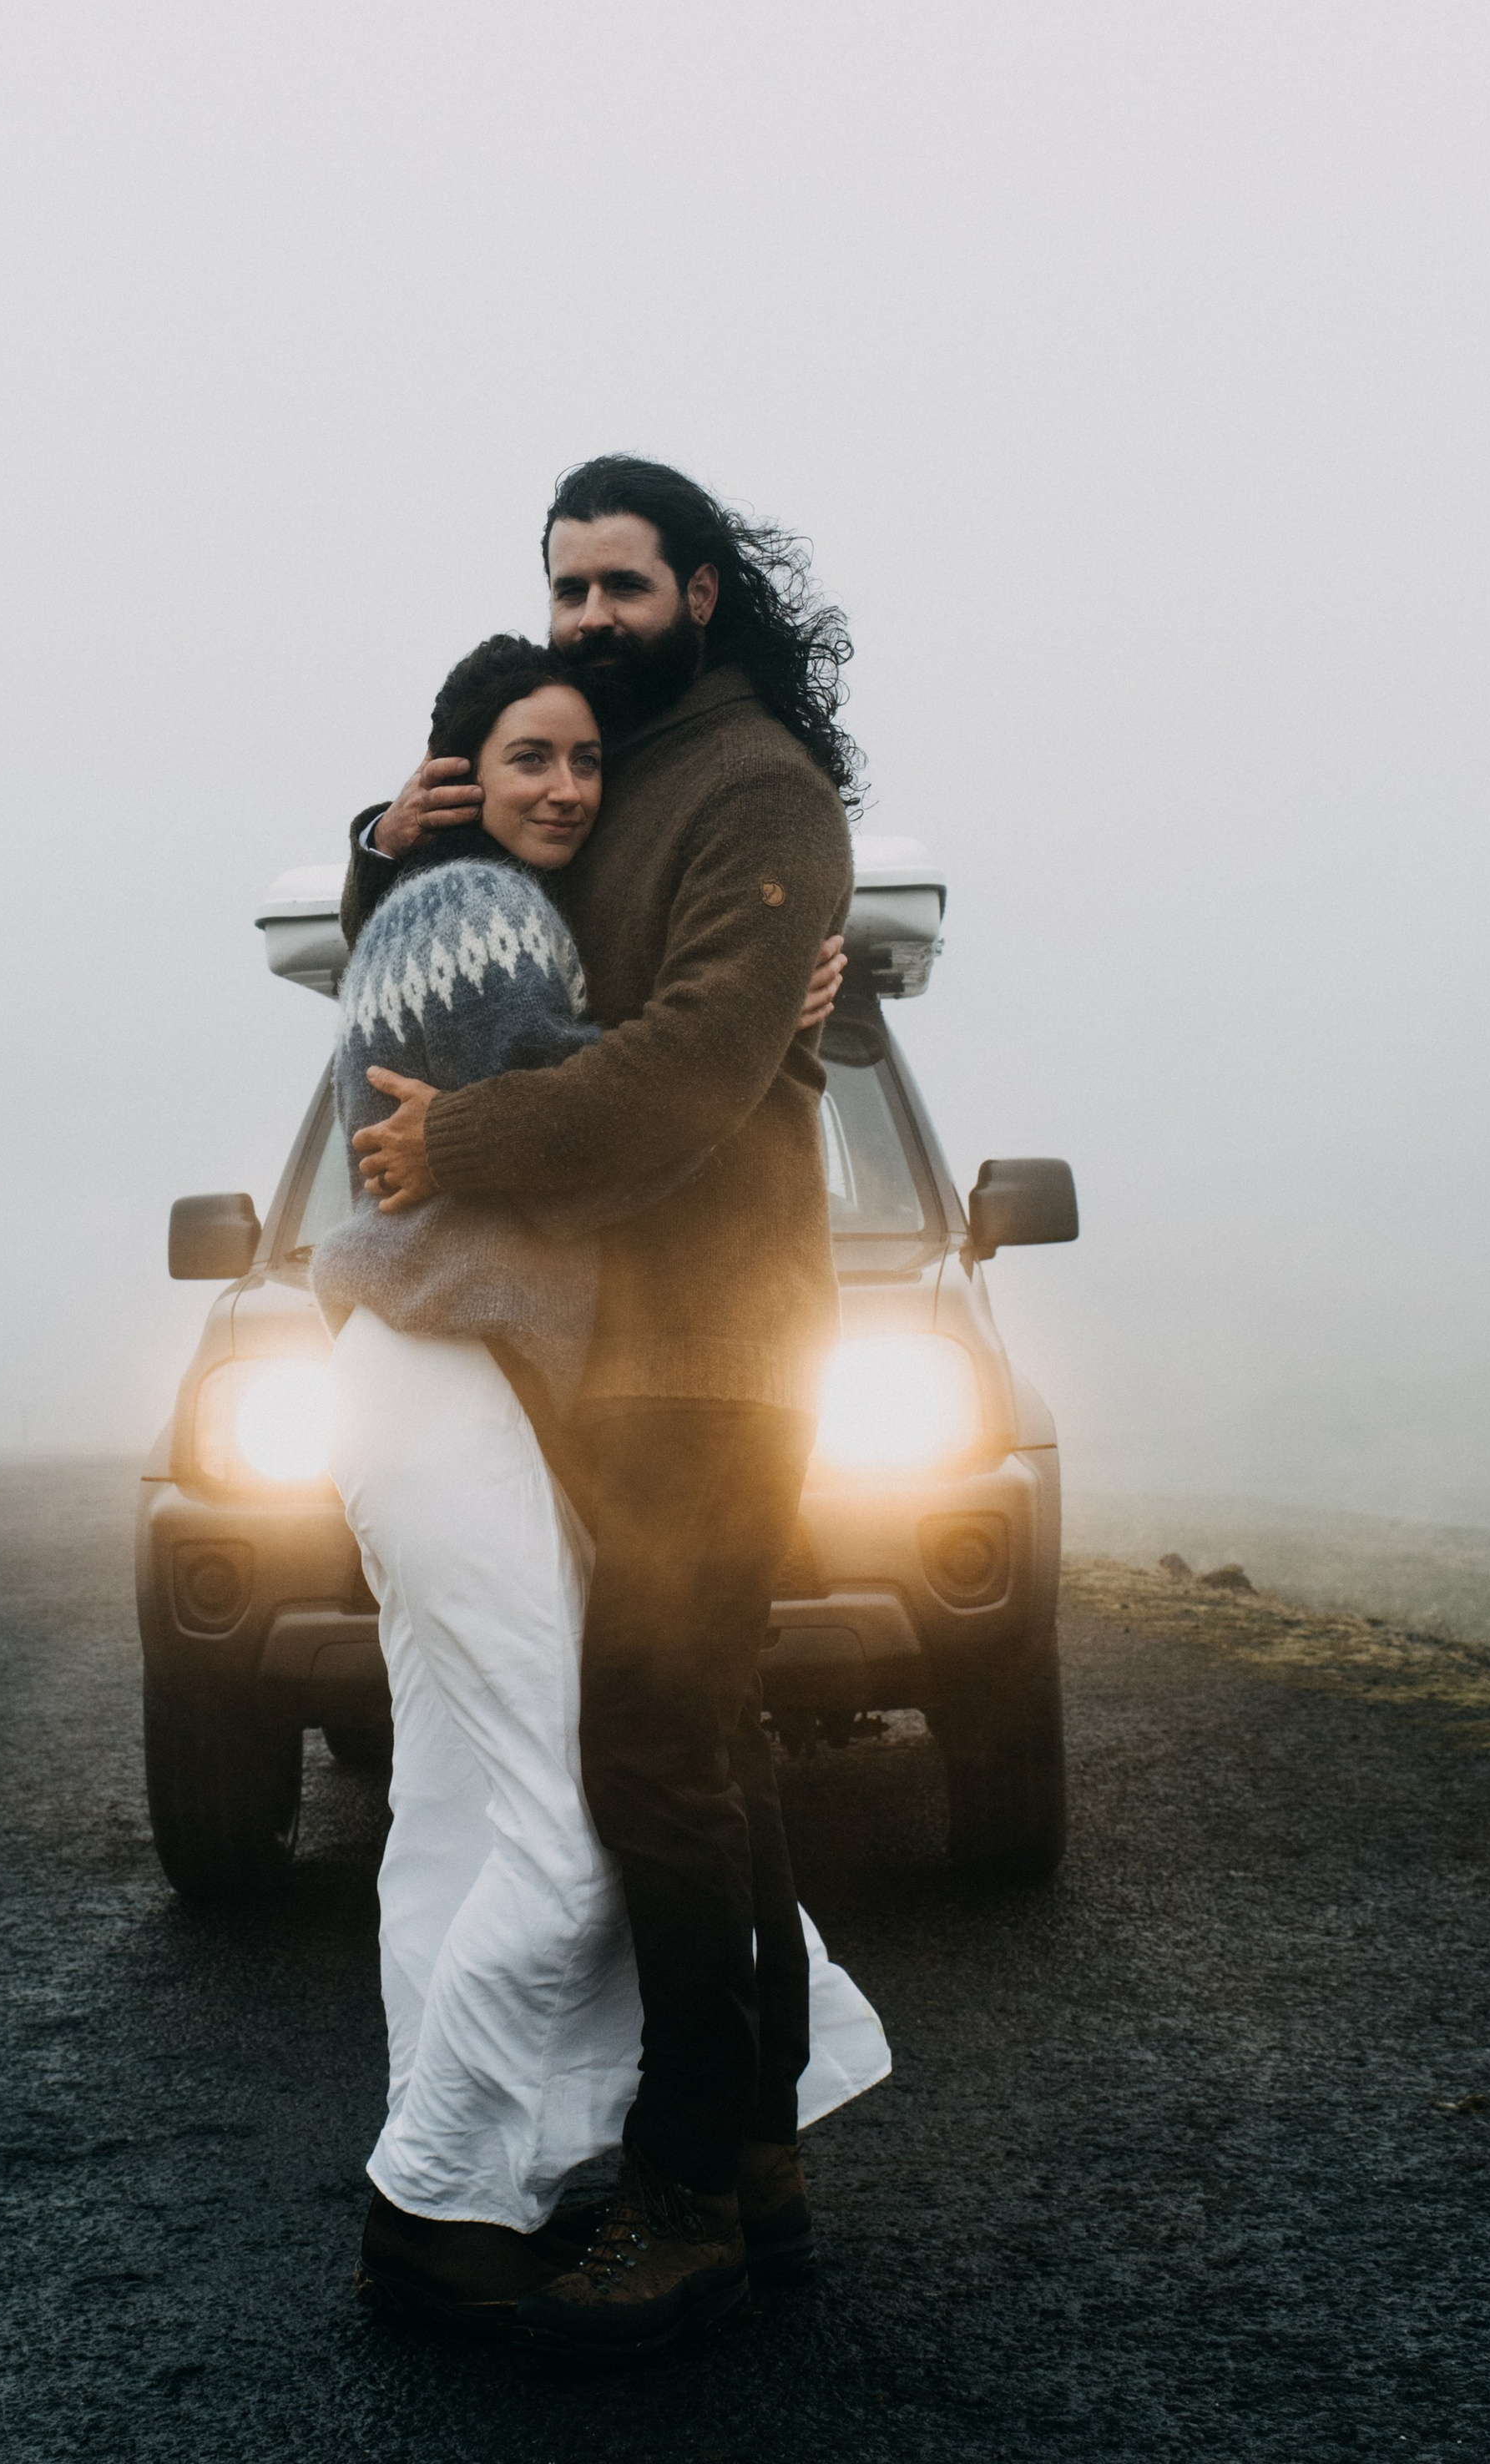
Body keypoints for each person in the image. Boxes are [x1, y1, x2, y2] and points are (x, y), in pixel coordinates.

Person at [343, 454, 872, 2358]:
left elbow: (683, 1064)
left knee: (655, 1751)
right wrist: (382, 839)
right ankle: (759, 2167)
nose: (587, 621)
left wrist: (466, 1140)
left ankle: (687, 2194)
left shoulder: (759, 792)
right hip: (600, 1346)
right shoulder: (608, 766)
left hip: (715, 1350)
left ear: (703, 592)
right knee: (694, 1748)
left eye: (621, 589)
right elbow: (452, 953)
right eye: (565, 588)